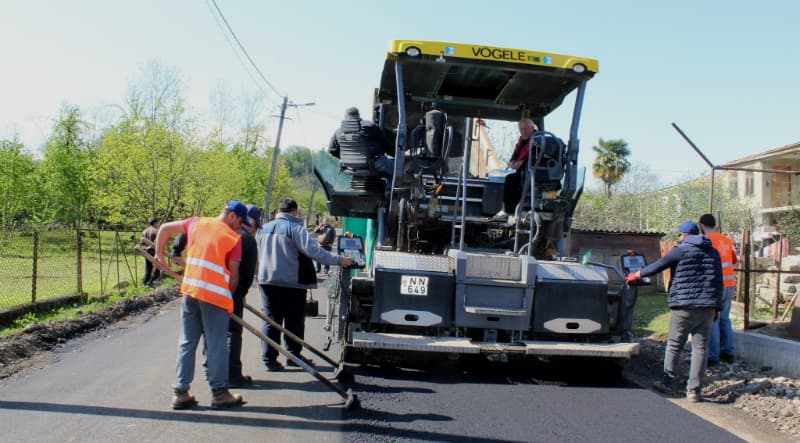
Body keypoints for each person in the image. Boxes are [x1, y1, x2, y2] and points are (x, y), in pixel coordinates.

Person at [154, 200, 250, 410]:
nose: (239, 227)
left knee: (187, 342)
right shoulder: (233, 238)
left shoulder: (196, 222)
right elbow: (234, 277)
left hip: (191, 293)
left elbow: (165, 228)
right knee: (216, 345)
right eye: (240, 222)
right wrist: (228, 299)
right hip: (214, 298)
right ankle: (220, 393)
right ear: (232, 216)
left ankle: (181, 392)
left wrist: (158, 253)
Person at [625, 221, 723, 402]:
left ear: (684, 235)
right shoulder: (713, 252)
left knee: (674, 344)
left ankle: (668, 383)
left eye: (679, 235)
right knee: (700, 348)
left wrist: (637, 274)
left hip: (684, 306)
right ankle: (694, 391)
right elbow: (718, 281)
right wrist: (717, 307)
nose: (679, 238)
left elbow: (659, 265)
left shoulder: (681, 250)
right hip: (707, 307)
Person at [256, 198, 353, 371]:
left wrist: (258, 278)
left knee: (270, 320)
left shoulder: (263, 229)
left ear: (278, 210)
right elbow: (314, 251)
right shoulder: (295, 228)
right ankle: (293, 356)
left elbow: (259, 255)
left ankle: (269, 359)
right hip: (291, 283)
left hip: (267, 282)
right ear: (294, 212)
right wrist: (339, 260)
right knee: (294, 321)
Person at [699, 213, 737, 366]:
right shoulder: (727, 240)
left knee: (713, 319)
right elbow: (734, 260)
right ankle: (728, 352)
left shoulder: (704, 240)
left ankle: (712, 356)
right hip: (729, 284)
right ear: (714, 224)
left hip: (715, 286)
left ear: (702, 225)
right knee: (725, 318)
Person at [328, 106, 394, 178]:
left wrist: (346, 159)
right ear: (358, 115)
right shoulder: (370, 125)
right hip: (372, 164)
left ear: (345, 117)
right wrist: (396, 154)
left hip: (350, 167)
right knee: (395, 170)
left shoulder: (338, 131)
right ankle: (390, 185)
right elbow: (386, 145)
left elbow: (331, 150)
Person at [494, 118, 538, 222]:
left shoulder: (537, 140)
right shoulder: (522, 141)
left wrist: (519, 163)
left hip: (532, 173)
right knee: (512, 179)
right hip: (523, 172)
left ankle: (507, 210)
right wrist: (513, 162)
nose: (523, 131)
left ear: (532, 128)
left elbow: (529, 158)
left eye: (526, 128)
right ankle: (512, 209)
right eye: (521, 129)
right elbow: (514, 156)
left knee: (510, 179)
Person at [140, 217, 160, 286]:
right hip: (154, 252)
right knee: (158, 268)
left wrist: (144, 249)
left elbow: (141, 243)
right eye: (158, 222)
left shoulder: (144, 231)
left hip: (146, 252)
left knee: (148, 269)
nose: (158, 224)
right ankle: (151, 281)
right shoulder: (156, 231)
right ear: (155, 223)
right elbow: (158, 242)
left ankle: (145, 283)